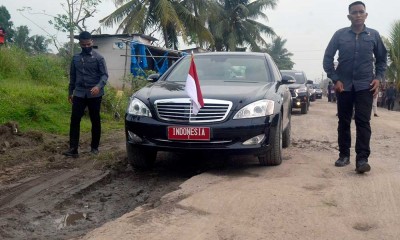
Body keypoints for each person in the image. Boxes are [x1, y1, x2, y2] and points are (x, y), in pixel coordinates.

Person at [323, 1, 387, 173]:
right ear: (349, 16)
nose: (358, 15)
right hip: (343, 86)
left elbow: (382, 60)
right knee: (343, 121)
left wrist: (379, 78)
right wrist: (335, 79)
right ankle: (344, 155)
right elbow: (327, 59)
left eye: (361, 12)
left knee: (363, 121)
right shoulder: (340, 35)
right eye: (354, 12)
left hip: (365, 86)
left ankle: (362, 159)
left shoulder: (373, 35)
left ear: (366, 15)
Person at [63, 31, 108, 158]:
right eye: (84, 45)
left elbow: (104, 75)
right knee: (75, 119)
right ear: (80, 44)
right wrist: (70, 92)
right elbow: (73, 76)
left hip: (95, 94)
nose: (86, 47)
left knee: (95, 120)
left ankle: (94, 148)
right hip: (79, 93)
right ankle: (73, 149)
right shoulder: (75, 58)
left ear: (92, 42)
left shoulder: (99, 58)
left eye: (88, 44)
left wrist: (98, 87)